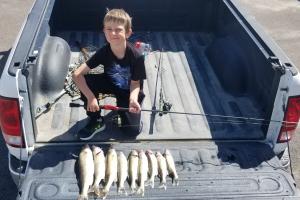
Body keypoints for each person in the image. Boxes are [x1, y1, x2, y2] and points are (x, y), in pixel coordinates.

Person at [72, 9, 146, 140]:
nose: (113, 33)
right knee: (86, 81)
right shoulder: (103, 52)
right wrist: (91, 97)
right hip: (110, 83)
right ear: (104, 31)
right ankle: (96, 120)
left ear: (128, 33)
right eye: (109, 29)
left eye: (118, 30)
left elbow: (135, 84)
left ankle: (126, 113)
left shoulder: (137, 56)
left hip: (128, 92)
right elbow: (77, 74)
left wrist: (133, 100)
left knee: (131, 132)